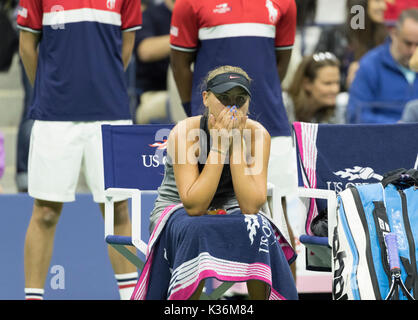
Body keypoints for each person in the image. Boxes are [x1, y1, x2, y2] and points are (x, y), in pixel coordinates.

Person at [130, 65, 298, 300]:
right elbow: (195, 207)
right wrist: (219, 146)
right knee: (196, 229)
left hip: (232, 207)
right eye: (224, 98)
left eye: (240, 99)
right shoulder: (184, 132)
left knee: (259, 227)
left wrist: (236, 142)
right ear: (206, 98)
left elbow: (251, 207)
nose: (232, 107)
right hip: (176, 208)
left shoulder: (258, 135)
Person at [17, 0, 142, 300]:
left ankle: (129, 296)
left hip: (110, 112)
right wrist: (52, 90)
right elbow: (26, 46)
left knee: (118, 209)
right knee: (45, 212)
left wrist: (102, 84)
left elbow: (125, 48)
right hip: (54, 116)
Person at [169, 0, 299, 281]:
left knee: (278, 222)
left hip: (270, 126)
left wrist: (247, 111)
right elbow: (179, 65)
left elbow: (279, 64)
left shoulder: (284, 3)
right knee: (203, 214)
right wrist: (200, 114)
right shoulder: (189, 4)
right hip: (206, 128)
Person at [347, 8, 418, 124]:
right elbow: (356, 115)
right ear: (394, 33)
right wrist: (398, 126)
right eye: (408, 43)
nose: (413, 51)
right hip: (382, 138)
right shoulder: (370, 65)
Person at [315, 0, 388, 90]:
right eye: (377, 1)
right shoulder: (334, 34)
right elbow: (316, 72)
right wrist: (345, 79)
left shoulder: (384, 37)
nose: (384, 6)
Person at [134, 0, 176, 124]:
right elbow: (145, 50)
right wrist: (184, 37)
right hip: (155, 94)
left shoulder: (198, 16)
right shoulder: (150, 14)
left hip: (196, 92)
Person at [284, 52, 347, 124]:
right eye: (327, 83)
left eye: (337, 82)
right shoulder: (283, 106)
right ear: (307, 83)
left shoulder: (335, 111)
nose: (335, 89)